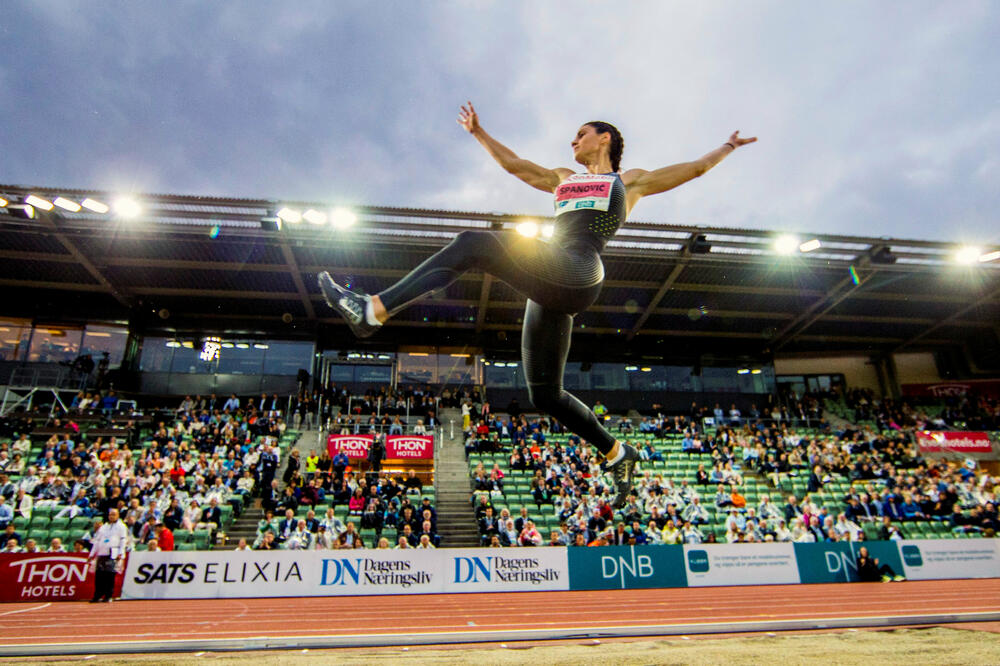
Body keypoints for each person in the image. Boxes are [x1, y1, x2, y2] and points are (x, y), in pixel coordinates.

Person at [319, 102, 755, 507]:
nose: (573, 141)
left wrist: (728, 147)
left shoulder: (630, 181)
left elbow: (696, 169)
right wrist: (479, 133)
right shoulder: (562, 178)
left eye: (581, 133)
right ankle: (618, 451)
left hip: (582, 268)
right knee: (544, 394)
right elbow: (515, 166)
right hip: (553, 277)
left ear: (605, 139)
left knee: (473, 244)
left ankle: (373, 308)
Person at [87, 508, 129, 603]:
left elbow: (123, 540)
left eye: (114, 514)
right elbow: (97, 541)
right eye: (110, 514)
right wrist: (92, 554)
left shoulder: (121, 527)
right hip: (102, 553)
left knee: (109, 575)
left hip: (112, 553)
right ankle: (97, 595)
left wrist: (120, 553)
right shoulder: (104, 527)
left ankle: (108, 595)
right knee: (99, 575)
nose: (111, 516)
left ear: (118, 515)